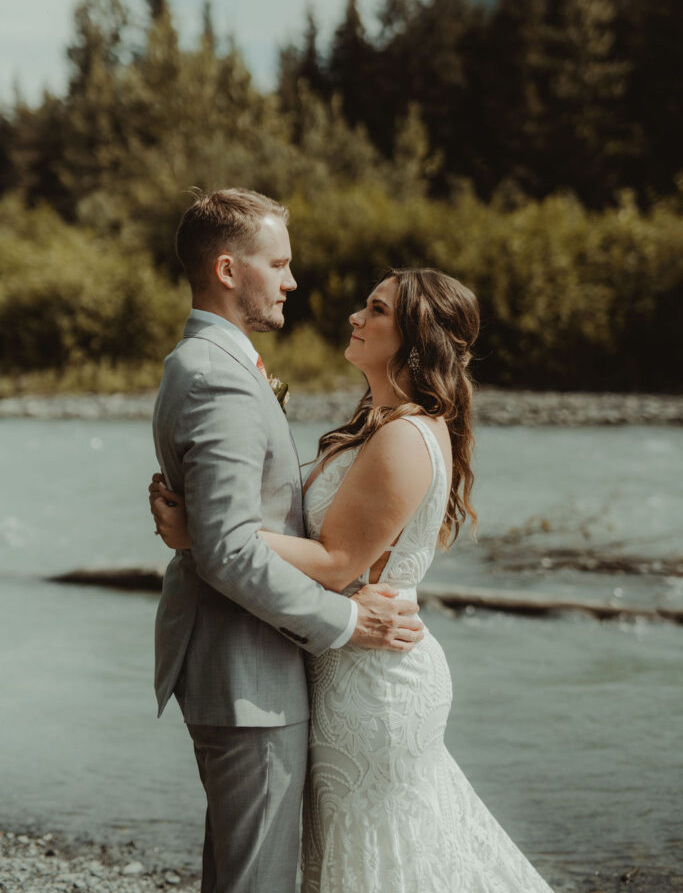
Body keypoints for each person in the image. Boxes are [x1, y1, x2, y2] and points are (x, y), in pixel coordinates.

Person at [151, 264, 556, 892]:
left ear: (416, 337)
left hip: (374, 681)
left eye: (376, 309)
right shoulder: (378, 424)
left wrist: (206, 534)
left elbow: (338, 562)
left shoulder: (403, 437)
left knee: (375, 854)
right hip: (346, 659)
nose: (355, 317)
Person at [151, 189, 425, 893]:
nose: (292, 281)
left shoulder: (219, 364)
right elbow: (231, 550)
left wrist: (200, 536)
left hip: (244, 669)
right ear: (226, 269)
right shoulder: (217, 376)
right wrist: (345, 621)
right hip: (248, 678)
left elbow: (228, 534)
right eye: (278, 264)